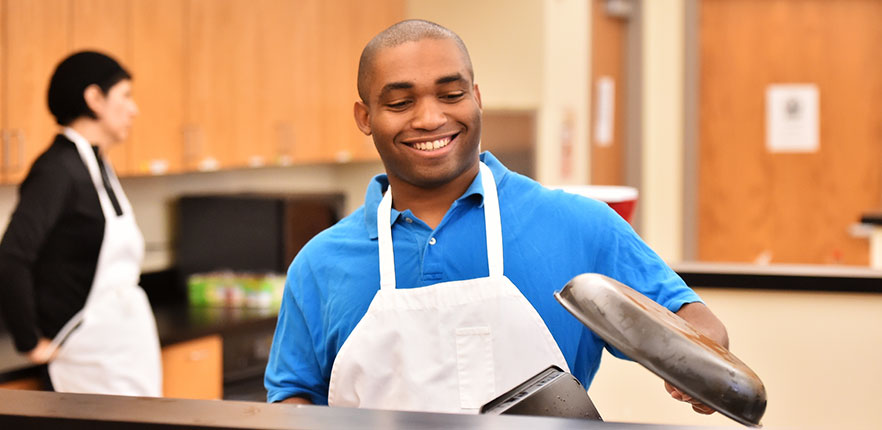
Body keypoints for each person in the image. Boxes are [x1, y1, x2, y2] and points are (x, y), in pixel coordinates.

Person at [265, 19, 728, 415]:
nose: (429, 118)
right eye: (400, 103)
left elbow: (693, 321)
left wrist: (701, 365)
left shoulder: (580, 227)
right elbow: (293, 399)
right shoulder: (320, 264)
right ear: (365, 117)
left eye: (450, 93)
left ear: (477, 97)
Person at [0, 51, 162, 396]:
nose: (134, 110)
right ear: (94, 99)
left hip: (122, 351)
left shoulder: (95, 163)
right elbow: (12, 256)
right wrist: (30, 342)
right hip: (88, 360)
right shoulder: (58, 169)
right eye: (125, 96)